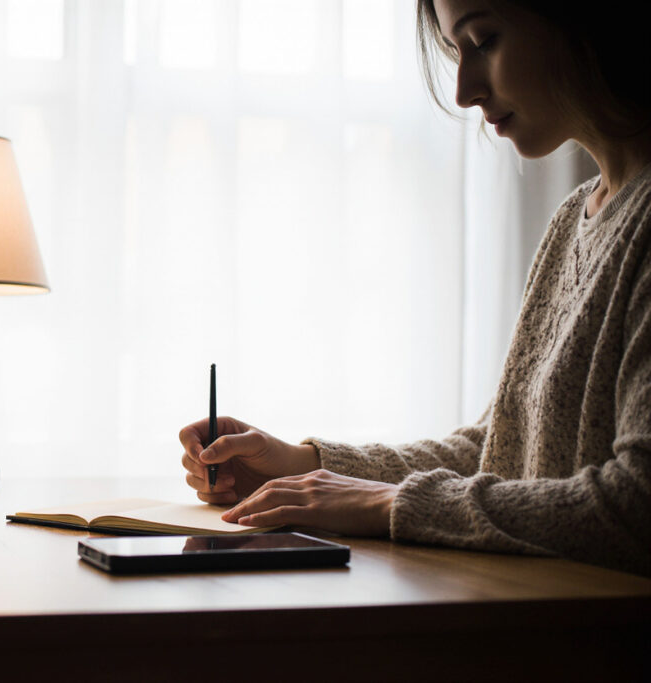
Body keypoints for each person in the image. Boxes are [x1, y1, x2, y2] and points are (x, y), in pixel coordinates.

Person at [179, 0, 651, 576]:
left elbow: (637, 505)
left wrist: (383, 504)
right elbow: (500, 450)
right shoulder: (575, 218)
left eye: (484, 41)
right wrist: (302, 465)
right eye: (457, 53)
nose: (463, 90)